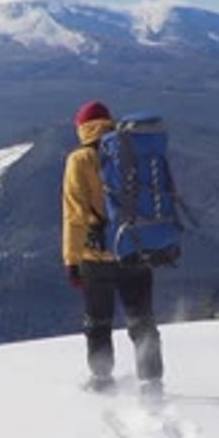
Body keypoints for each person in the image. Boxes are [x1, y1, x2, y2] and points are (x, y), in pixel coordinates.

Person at [62, 100, 163, 393]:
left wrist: (71, 259)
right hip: (136, 247)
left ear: (82, 128)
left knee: (98, 321)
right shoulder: (133, 150)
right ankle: (152, 381)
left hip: (97, 256)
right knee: (142, 319)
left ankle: (102, 381)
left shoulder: (80, 160)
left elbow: (74, 214)